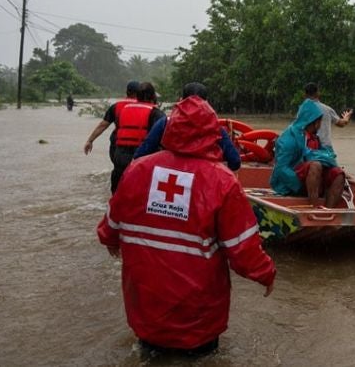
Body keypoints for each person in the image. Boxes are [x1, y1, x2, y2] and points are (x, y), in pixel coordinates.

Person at [97, 96, 276, 356]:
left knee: (149, 354)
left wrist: (109, 239)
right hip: (198, 318)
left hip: (146, 310)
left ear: (170, 128)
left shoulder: (137, 169)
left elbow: (111, 222)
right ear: (213, 133)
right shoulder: (223, 181)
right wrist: (266, 274)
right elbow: (242, 250)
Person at [133, 82, 241, 171]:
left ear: (181, 100)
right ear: (206, 103)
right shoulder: (216, 128)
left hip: (170, 181)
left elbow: (140, 155)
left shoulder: (165, 123)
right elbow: (235, 161)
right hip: (203, 183)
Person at [270, 98, 345, 208]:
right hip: (291, 184)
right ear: (314, 122)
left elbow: (326, 156)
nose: (320, 125)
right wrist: (299, 185)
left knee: (339, 174)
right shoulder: (288, 139)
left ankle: (327, 211)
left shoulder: (314, 137)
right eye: (319, 121)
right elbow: (281, 169)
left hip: (312, 180)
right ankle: (314, 209)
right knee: (315, 165)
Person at [111, 82, 165, 193]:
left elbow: (116, 133)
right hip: (142, 159)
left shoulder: (123, 109)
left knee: (118, 192)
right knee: (141, 192)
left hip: (120, 156)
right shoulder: (157, 114)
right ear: (152, 97)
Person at [84, 80, 139, 164]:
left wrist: (90, 140)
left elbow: (102, 125)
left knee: (119, 169)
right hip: (138, 146)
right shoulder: (148, 108)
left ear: (127, 92)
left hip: (118, 147)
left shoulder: (116, 106)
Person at [303, 82, 352, 150]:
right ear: (318, 93)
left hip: (308, 148)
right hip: (325, 148)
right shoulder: (327, 109)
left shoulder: (302, 111)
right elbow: (341, 124)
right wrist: (346, 118)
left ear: (305, 95)